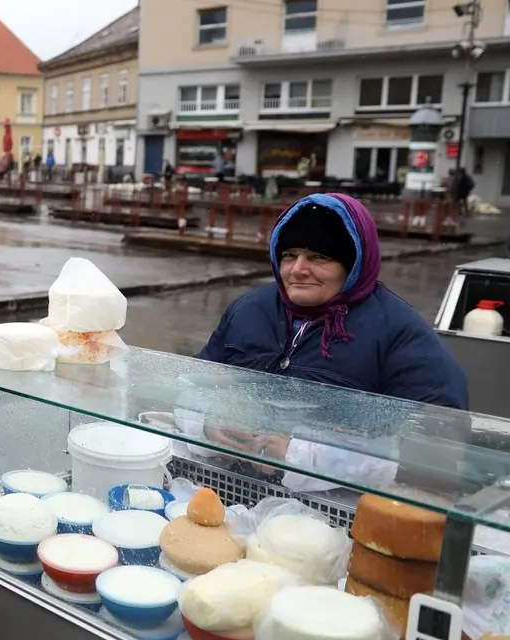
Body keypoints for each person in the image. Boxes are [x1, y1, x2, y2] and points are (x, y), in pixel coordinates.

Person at [192, 193, 469, 488]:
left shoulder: (397, 330)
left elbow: (439, 445)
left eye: (319, 257)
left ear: (354, 264)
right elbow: (190, 383)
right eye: (289, 255)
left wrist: (307, 456)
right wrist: (206, 422)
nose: (298, 269)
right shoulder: (248, 310)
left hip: (337, 519)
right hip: (228, 491)